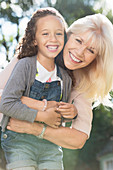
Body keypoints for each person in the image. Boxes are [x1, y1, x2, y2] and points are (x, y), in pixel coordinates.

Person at [1, 12, 113, 169]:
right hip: (10, 141)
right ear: (68, 35)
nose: (80, 52)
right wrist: (44, 107)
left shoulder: (83, 82)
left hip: (46, 149)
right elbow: (3, 98)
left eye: (91, 51)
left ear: (96, 59)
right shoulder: (34, 55)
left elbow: (78, 138)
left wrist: (36, 128)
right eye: (78, 41)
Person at [0, 7, 78, 170]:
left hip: (50, 146)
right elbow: (6, 104)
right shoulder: (25, 66)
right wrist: (41, 115)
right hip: (18, 141)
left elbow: (57, 119)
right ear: (34, 39)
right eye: (45, 33)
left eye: (58, 33)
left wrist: (70, 114)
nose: (53, 39)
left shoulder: (64, 77)